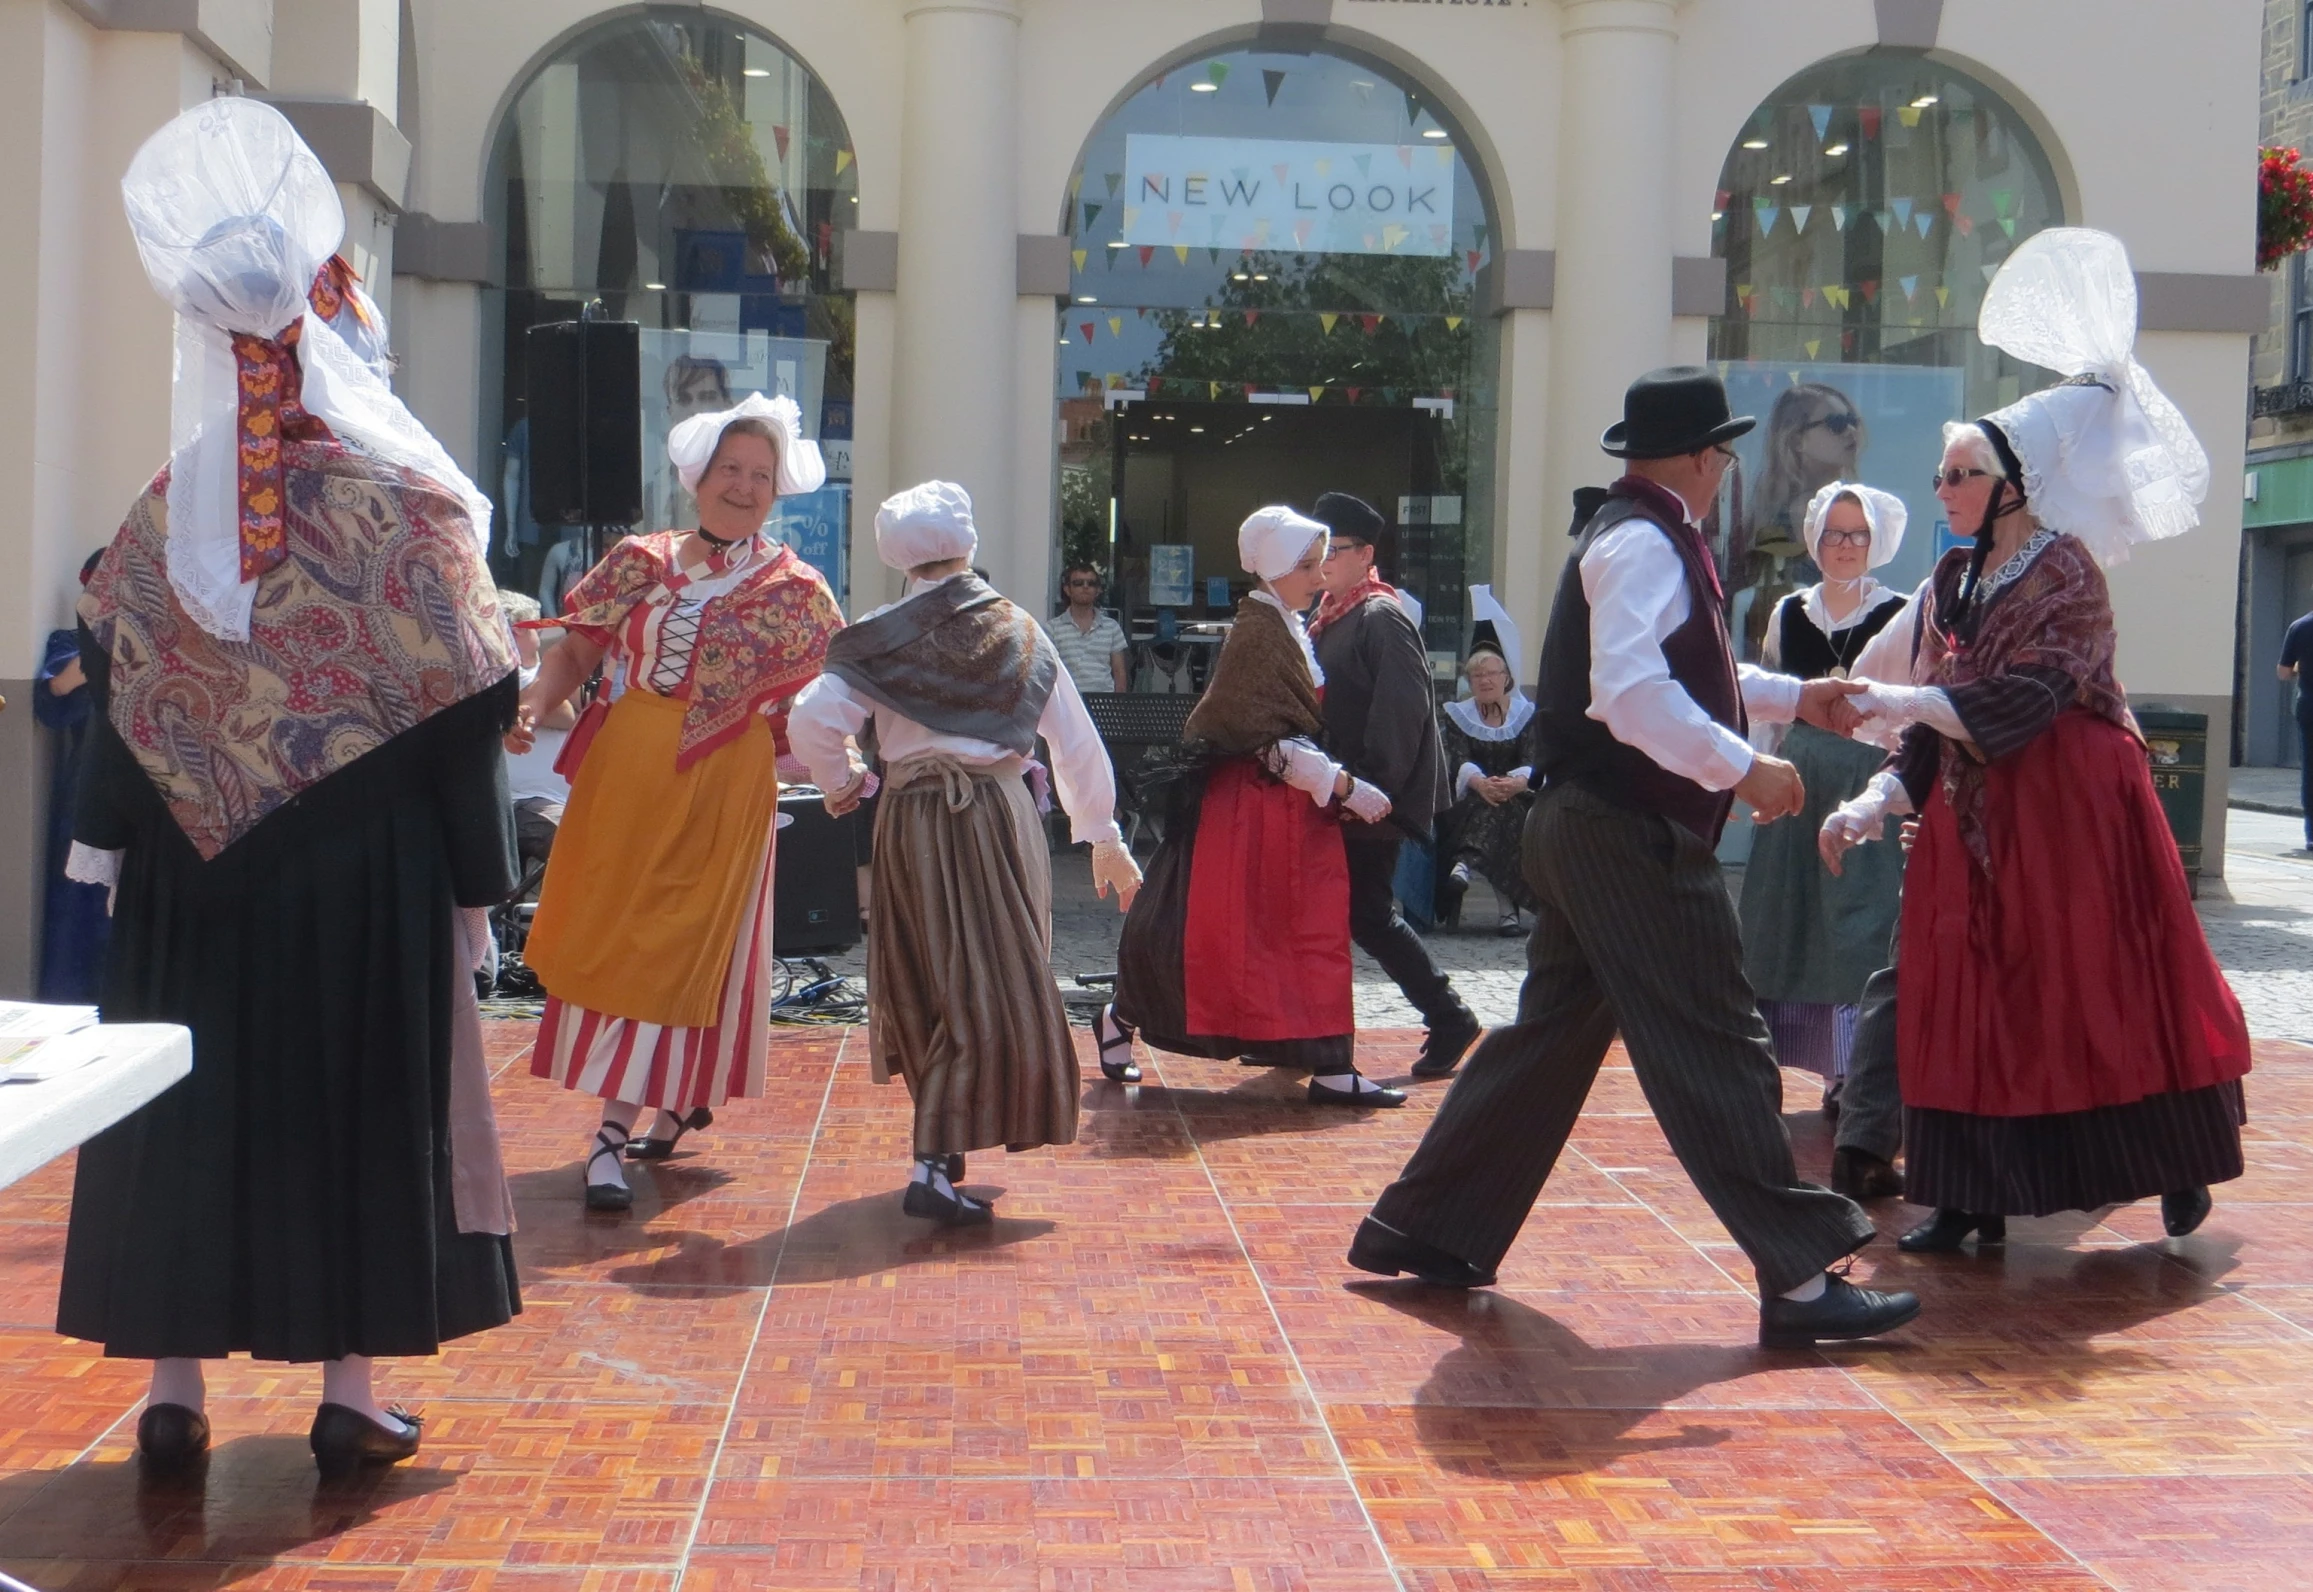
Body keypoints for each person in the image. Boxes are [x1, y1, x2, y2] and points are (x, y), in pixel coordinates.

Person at [59, 99, 522, 1475]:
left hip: (193, 888)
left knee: (184, 1115)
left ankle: (173, 1392)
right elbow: (470, 706)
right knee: (360, 1115)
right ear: (338, 338)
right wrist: (477, 883)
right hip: (365, 878)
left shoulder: (167, 513)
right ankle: (349, 1387)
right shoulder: (408, 508)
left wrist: (104, 846)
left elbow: (126, 693)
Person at [1352, 367, 1921, 1349]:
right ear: (1706, 457)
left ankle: (1427, 1224)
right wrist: (1746, 769)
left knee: (1551, 1037)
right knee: (1719, 1039)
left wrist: (1792, 697)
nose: (1729, 469)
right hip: (1626, 831)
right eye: (1727, 453)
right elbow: (1631, 690)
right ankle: (1797, 1274)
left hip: (1587, 825)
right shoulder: (1644, 543)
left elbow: (1690, 669)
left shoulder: (1635, 536)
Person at [1823, 227, 2251, 1254]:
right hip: (1985, 817)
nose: (1945, 490)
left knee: (2099, 991)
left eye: (1963, 472)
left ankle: (2174, 1164)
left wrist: (1919, 711)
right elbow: (1938, 700)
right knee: (1965, 997)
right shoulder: (1950, 581)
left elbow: (2035, 690)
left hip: (2075, 811)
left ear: (2017, 479)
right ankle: (1966, 1195)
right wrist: (1880, 797)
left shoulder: (2067, 574)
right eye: (1940, 475)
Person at [513, 390, 845, 1214]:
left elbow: (820, 703)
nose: (742, 485)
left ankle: (617, 1128)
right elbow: (578, 646)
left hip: (726, 782)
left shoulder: (798, 591)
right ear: (697, 476)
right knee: (617, 928)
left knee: (685, 941)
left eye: (759, 475)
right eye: (730, 469)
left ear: (778, 490)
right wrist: (529, 703)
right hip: (627, 767)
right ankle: (649, 1103)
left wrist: (843, 770)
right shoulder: (638, 559)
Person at [789, 483, 1141, 1225]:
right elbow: (1074, 744)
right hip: (994, 812)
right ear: (969, 545)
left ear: (896, 558)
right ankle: (935, 1159)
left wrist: (843, 780)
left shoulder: (876, 636)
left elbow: (814, 719)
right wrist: (1103, 834)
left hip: (911, 814)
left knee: (927, 973)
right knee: (999, 976)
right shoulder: (1019, 631)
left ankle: (941, 1154)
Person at [1098, 507, 1406, 1108]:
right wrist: (1342, 785)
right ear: (1274, 570)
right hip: (1248, 813)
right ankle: (1122, 1018)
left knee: (1299, 933)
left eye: (1319, 565)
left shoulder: (1283, 623)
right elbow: (1262, 740)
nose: (1320, 578)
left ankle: (1328, 1060)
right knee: (1220, 939)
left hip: (1284, 812)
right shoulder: (1259, 631)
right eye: (1309, 567)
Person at [1739, 483, 1910, 1104]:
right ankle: (1771, 1059)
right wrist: (1753, 768)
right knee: (1787, 919)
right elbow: (1771, 707)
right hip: (1800, 779)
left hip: (1865, 776)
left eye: (1857, 535)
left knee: (1859, 922)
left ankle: (1852, 1074)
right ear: (1816, 540)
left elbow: (1912, 708)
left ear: (1877, 542)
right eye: (1834, 534)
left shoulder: (1903, 611)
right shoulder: (1789, 612)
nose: (1844, 546)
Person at [1308, 492, 1483, 1080]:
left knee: (1369, 914)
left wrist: (1369, 791)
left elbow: (1402, 713)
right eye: (1319, 549)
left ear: (1367, 555)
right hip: (1343, 790)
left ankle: (1450, 1015)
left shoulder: (1380, 617)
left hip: (1372, 795)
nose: (1325, 560)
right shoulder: (1332, 616)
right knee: (1348, 913)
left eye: (1337, 549)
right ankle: (1303, 1031)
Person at [1434, 584, 1537, 937]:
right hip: (1470, 799)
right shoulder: (1458, 715)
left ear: (1507, 677)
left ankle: (1464, 864)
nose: (1484, 680)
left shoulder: (1526, 714)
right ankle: (1507, 914)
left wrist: (1516, 783)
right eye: (1477, 675)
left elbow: (1532, 759)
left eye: (1491, 673)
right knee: (1491, 808)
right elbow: (1458, 757)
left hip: (1519, 797)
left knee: (1506, 810)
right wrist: (1480, 782)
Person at [34, 553, 110, 1002]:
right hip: (85, 786)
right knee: (76, 905)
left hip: (146, 789)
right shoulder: (69, 642)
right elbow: (53, 700)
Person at [497, 591, 575, 883]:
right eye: (538, 625)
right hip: (526, 803)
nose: (545, 632)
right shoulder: (507, 676)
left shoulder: (538, 676)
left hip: (554, 802)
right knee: (580, 844)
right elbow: (565, 714)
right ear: (520, 630)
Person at [1046, 562, 1131, 694]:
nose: (1085, 587)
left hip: (1104, 706)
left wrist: (1117, 708)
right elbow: (1048, 672)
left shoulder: (1112, 627)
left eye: (1091, 583)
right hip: (1068, 706)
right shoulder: (1052, 629)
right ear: (1067, 589)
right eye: (1078, 583)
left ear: (1098, 590)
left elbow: (1119, 672)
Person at [2282, 604, 2313, 850]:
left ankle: (2312, 834)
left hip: (2309, 706)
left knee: (2310, 770)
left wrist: (2298, 668)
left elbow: (2283, 672)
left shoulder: (2300, 626)